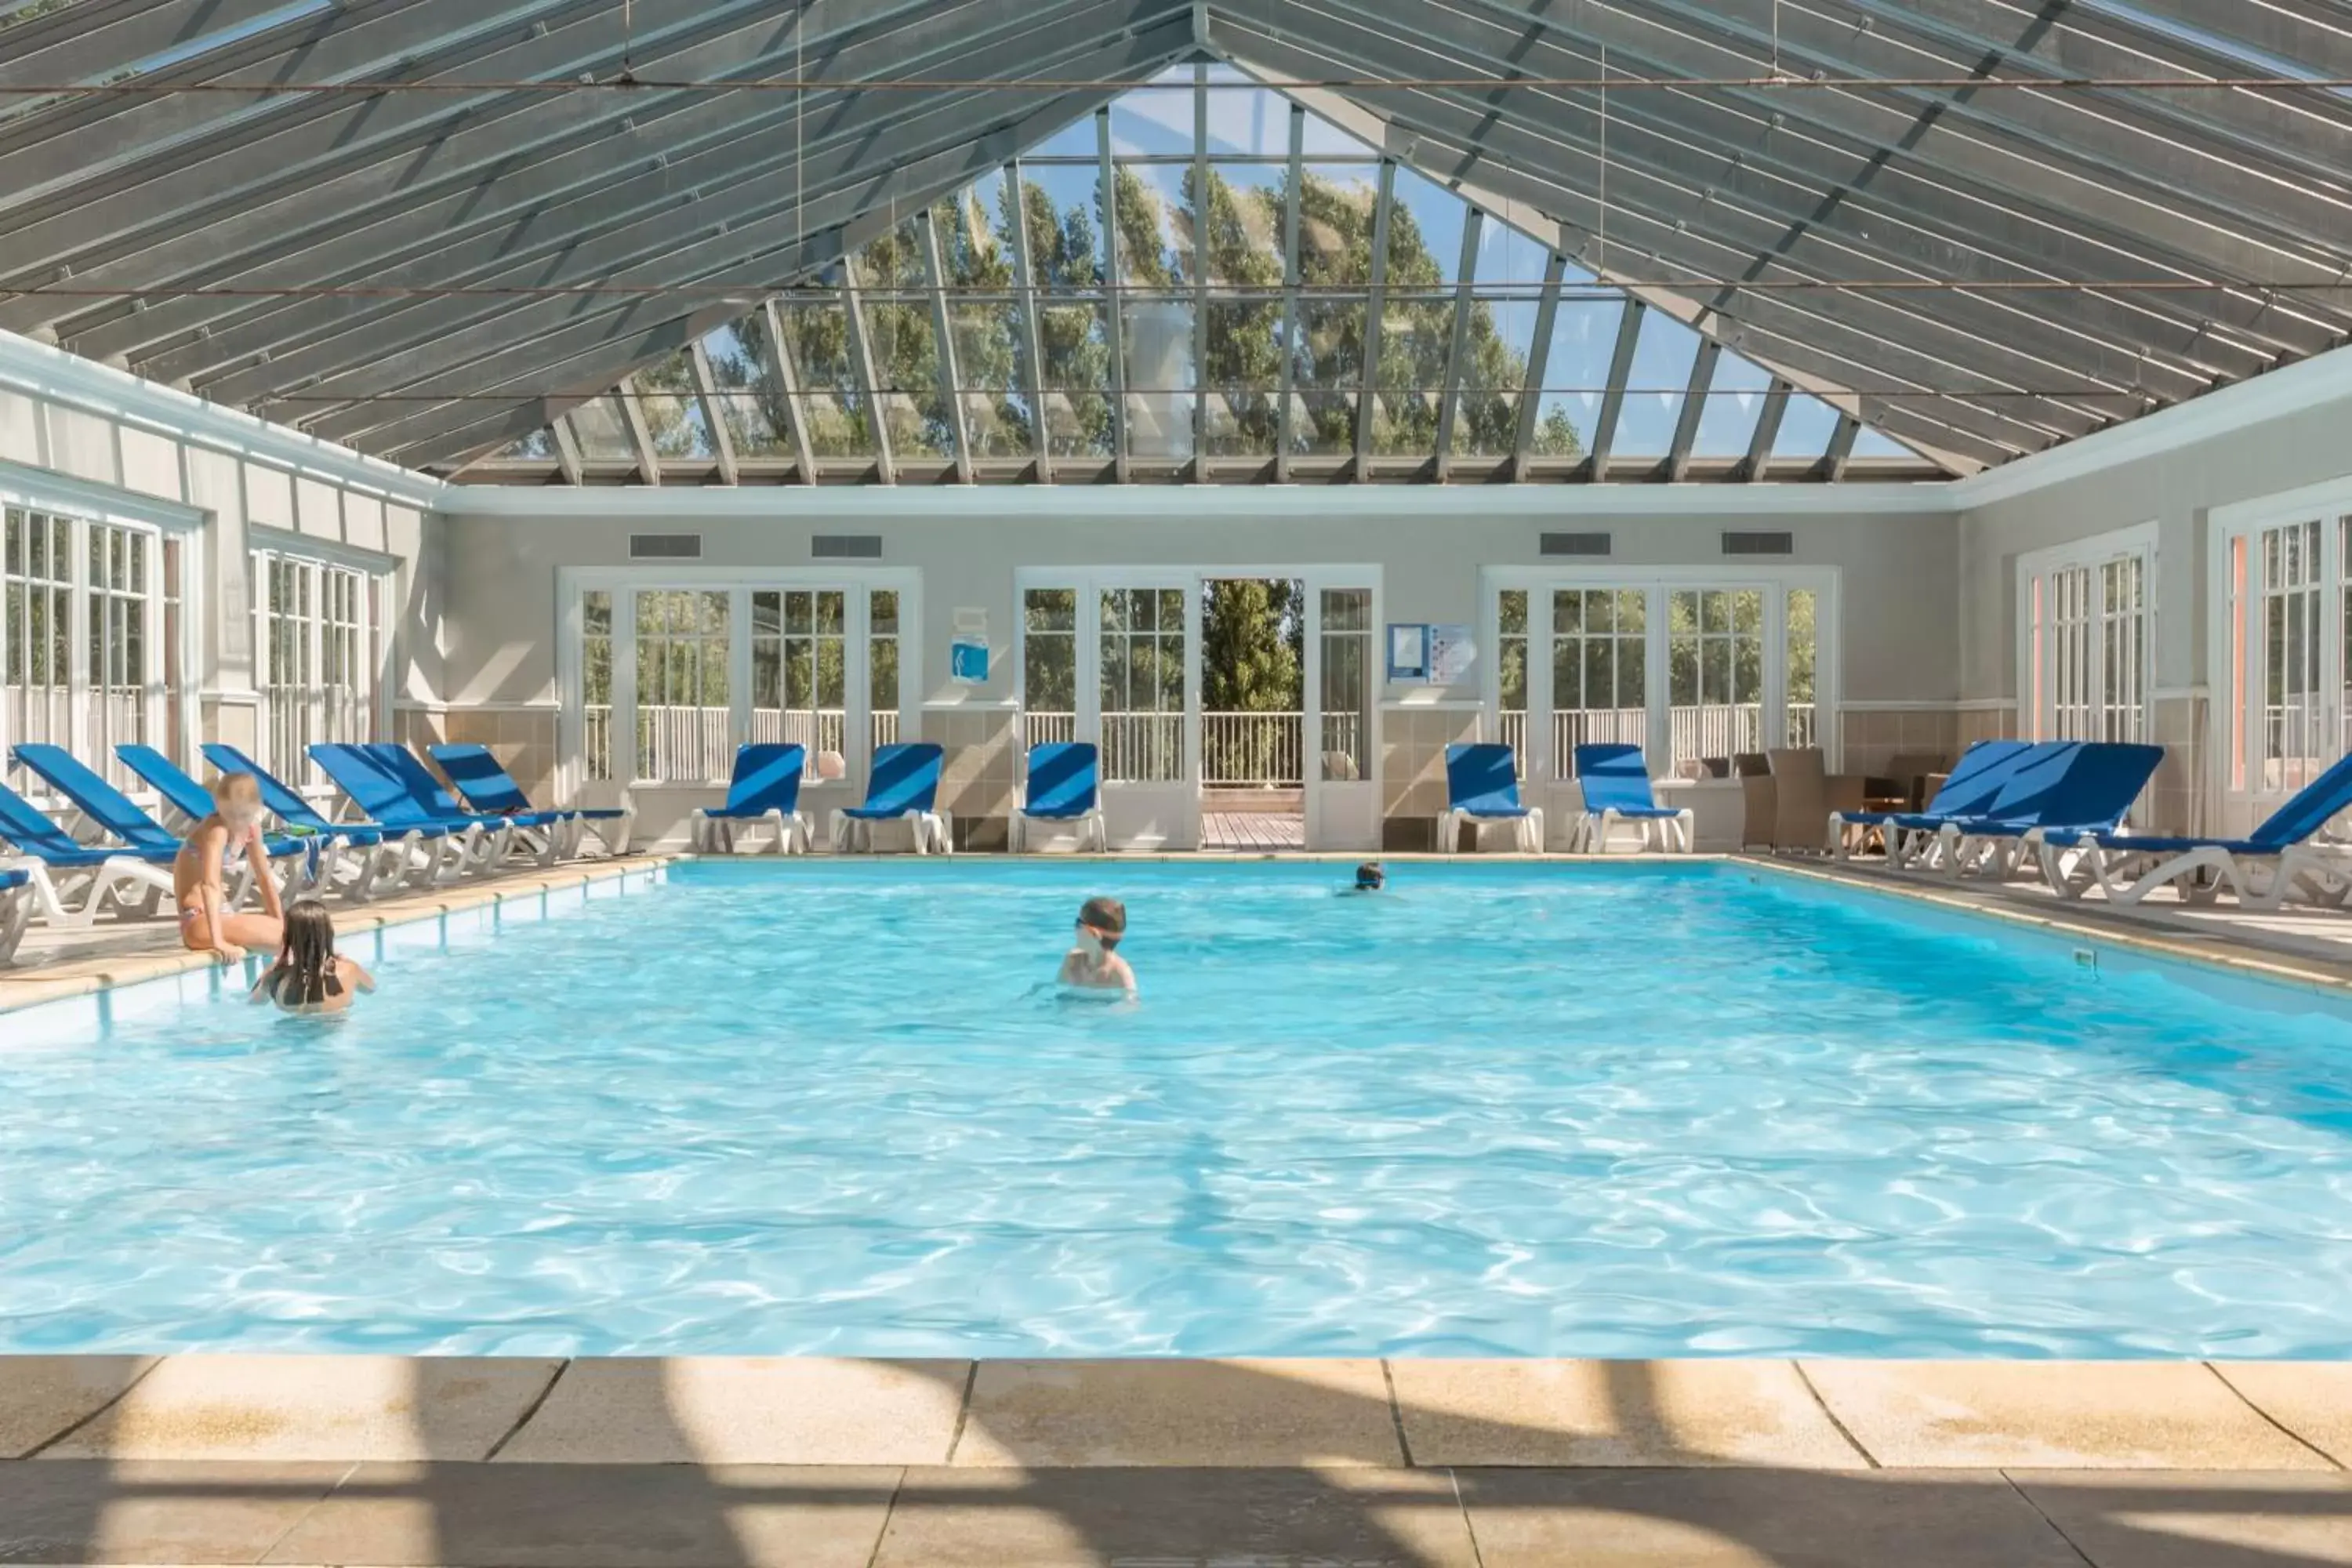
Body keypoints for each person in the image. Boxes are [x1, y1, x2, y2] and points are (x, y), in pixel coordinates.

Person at [175, 771, 285, 965]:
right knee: (291, 942)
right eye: (230, 814)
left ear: (257, 807)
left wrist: (279, 921)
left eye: (244, 815)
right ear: (218, 805)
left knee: (296, 935)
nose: (237, 822)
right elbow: (209, 885)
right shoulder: (217, 830)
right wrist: (219, 942)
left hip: (224, 914)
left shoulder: (251, 829)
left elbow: (264, 879)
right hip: (198, 921)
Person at [250, 898, 376, 1016]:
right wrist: (345, 961)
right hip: (335, 1034)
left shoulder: (274, 978)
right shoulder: (349, 970)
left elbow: (254, 1004)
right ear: (329, 933)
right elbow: (371, 989)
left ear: (288, 938)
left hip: (288, 1034)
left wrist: (269, 971)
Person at [1058, 895, 1136, 994]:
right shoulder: (1072, 962)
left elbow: (1130, 1005)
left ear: (1094, 934)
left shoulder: (1120, 973)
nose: (1075, 929)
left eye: (1078, 923)